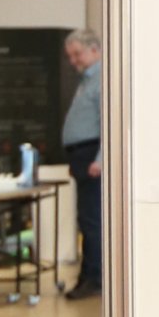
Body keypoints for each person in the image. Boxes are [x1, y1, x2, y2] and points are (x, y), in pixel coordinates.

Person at [61, 29, 102, 298]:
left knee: (91, 220)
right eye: (71, 56)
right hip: (82, 157)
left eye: (77, 54)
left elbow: (110, 123)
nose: (73, 60)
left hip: (92, 157)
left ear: (94, 50)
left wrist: (99, 159)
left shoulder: (101, 79)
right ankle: (89, 274)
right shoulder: (86, 80)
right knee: (86, 219)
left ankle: (93, 277)